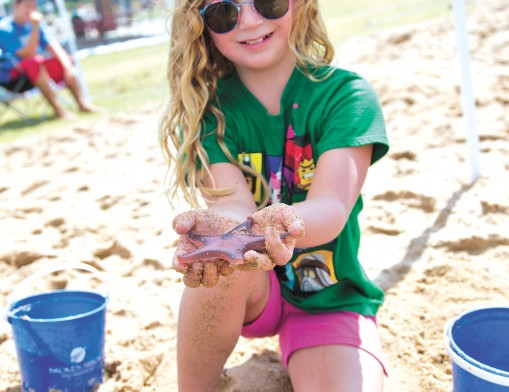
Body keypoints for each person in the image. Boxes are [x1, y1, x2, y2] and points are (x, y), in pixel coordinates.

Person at [160, 0, 390, 390]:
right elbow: (232, 203)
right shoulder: (207, 114)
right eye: (224, 12)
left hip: (327, 295)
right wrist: (226, 233)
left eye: (267, 2)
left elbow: (332, 206)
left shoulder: (345, 95)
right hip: (252, 292)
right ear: (204, 30)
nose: (249, 21)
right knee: (220, 255)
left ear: (299, 5)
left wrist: (285, 223)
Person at [0, 0, 97, 119]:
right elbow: (27, 54)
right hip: (16, 78)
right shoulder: (5, 28)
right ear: (16, 5)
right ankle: (59, 111)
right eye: (27, 5)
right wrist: (35, 26)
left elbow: (53, 46)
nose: (31, 9)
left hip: (39, 71)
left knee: (64, 59)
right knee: (34, 61)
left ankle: (82, 104)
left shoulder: (36, 24)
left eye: (33, 5)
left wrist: (67, 66)